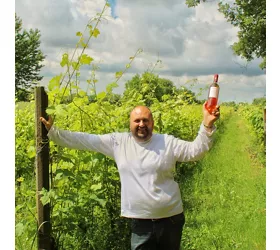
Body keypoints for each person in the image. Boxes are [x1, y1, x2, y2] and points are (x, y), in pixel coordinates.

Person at [40, 102, 220, 250]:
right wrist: (54, 132)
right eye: (137, 120)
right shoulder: (118, 142)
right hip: (140, 222)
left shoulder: (167, 142)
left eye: (146, 120)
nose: (141, 124)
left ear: (153, 123)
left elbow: (195, 151)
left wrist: (207, 125)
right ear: (130, 123)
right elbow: (86, 140)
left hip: (171, 220)